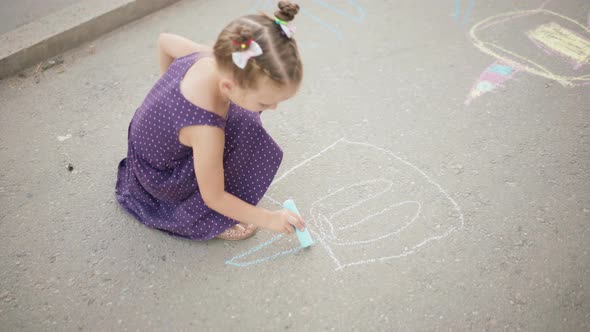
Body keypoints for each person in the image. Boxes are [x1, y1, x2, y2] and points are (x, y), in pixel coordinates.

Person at [116, 1, 306, 241]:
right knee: (246, 128)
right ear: (229, 86)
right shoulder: (206, 130)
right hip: (160, 178)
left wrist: (171, 92)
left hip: (142, 146)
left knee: (243, 116)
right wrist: (269, 218)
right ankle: (209, 221)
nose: (273, 108)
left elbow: (164, 41)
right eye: (265, 102)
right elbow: (214, 197)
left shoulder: (207, 56)